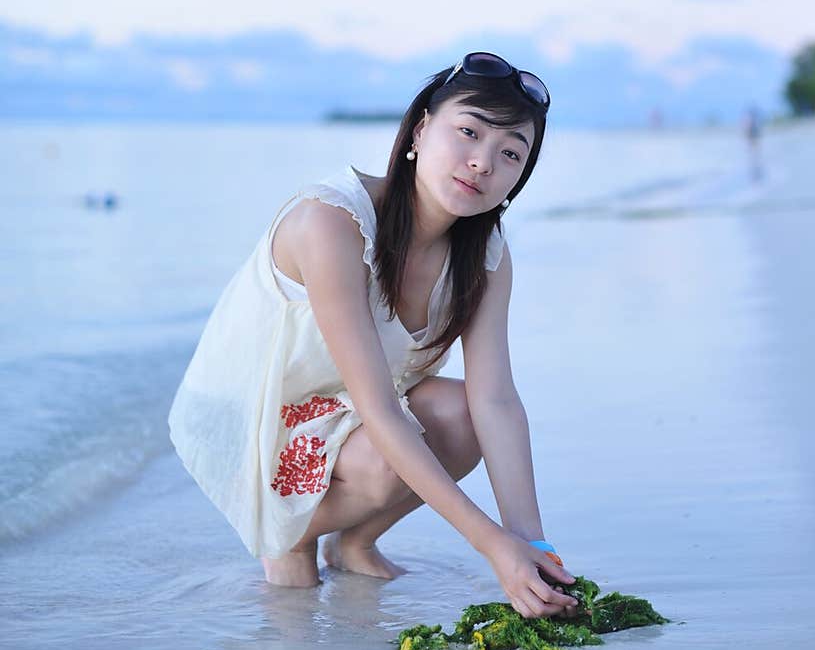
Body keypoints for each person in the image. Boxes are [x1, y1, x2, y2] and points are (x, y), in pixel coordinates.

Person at [168, 52, 579, 620]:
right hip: (262, 427)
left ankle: (353, 541)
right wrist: (490, 546)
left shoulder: (485, 257)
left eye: (510, 153)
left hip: (345, 419)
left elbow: (496, 401)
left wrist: (531, 547)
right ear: (419, 129)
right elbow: (380, 409)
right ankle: (286, 535)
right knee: (388, 454)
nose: (483, 162)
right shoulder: (331, 222)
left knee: (462, 413)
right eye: (468, 131)